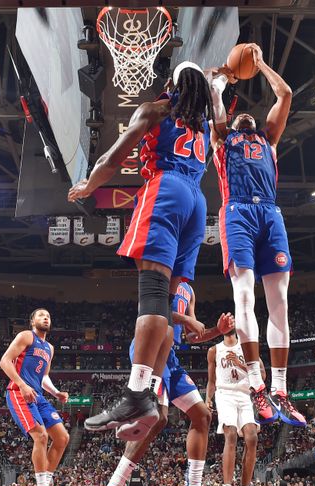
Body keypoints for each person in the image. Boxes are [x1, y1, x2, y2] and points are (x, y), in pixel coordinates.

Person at [68, 62, 215, 437]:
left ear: (172, 84)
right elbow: (215, 97)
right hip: (198, 203)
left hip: (166, 190)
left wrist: (88, 185)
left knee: (151, 294)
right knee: (165, 303)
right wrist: (221, 77)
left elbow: (112, 159)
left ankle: (136, 393)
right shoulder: (206, 125)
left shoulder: (156, 110)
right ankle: (148, 391)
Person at [209, 43, 305, 427]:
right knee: (244, 296)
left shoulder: (269, 139)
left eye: (251, 114)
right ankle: (255, 383)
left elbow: (285, 94)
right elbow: (214, 104)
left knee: (279, 301)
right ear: (231, 125)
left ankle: (280, 389)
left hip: (270, 213)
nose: (246, 115)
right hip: (237, 214)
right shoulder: (222, 141)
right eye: (239, 116)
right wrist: (219, 83)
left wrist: (261, 64)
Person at [93, 283, 233, 486]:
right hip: (150, 347)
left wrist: (216, 331)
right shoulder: (160, 274)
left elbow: (193, 335)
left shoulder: (189, 290)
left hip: (171, 356)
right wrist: (187, 321)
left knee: (202, 415)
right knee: (155, 417)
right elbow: (150, 309)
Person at [0, 308, 70, 486]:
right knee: (41, 436)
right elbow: (4, 361)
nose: (45, 317)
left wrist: (56, 393)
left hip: (38, 395)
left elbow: (44, 377)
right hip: (18, 392)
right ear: (32, 321)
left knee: (62, 438)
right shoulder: (25, 336)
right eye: (41, 315)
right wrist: (21, 384)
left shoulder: (49, 348)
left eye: (48, 315)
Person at [206, 329, 266, 486]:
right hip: (225, 394)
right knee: (230, 434)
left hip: (244, 394)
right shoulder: (214, 350)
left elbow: (262, 374)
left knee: (252, 438)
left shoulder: (247, 347)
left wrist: (245, 365)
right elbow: (211, 380)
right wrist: (208, 399)